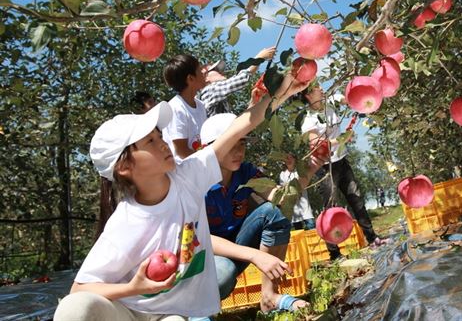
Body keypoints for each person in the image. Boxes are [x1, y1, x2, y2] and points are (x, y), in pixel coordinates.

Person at [52, 72, 309, 321]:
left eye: (159, 136)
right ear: (124, 167)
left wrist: (282, 91)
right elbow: (80, 289)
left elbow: (241, 125)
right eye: (150, 142)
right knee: (76, 310)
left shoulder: (188, 178)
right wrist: (133, 287)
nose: (163, 143)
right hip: (127, 312)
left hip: (169, 314)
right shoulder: (125, 222)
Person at [200, 115, 323, 312]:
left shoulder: (246, 172)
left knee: (275, 211)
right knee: (224, 273)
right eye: (231, 144)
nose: (239, 151)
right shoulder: (198, 183)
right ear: (209, 148)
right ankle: (200, 312)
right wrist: (255, 255)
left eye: (242, 143)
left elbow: (282, 198)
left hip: (238, 245)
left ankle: (269, 296)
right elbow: (200, 238)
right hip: (206, 259)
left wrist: (310, 169)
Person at [299, 84, 388, 260]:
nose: (322, 90)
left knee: (357, 200)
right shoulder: (309, 119)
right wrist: (340, 139)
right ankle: (334, 253)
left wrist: (354, 97)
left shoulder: (330, 103)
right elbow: (316, 144)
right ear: (308, 96)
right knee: (330, 208)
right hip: (325, 168)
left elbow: (347, 99)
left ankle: (373, 238)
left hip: (342, 162)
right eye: (317, 88)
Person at [199, 47, 276, 117]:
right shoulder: (209, 90)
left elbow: (236, 126)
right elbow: (241, 79)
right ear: (205, 78)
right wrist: (259, 58)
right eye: (216, 70)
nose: (222, 72)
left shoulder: (220, 103)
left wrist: (253, 102)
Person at [162, 55, 209, 162]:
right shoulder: (176, 109)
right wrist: (209, 159)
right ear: (190, 79)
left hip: (199, 170)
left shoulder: (200, 105)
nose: (204, 73)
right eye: (199, 70)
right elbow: (181, 151)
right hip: (183, 173)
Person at [279, 153, 316, 230]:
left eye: (291, 157)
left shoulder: (300, 171)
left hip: (305, 207)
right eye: (287, 158)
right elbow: (283, 190)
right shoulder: (282, 174)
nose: (289, 160)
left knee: (311, 227)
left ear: (295, 159)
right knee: (298, 233)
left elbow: (304, 182)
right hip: (294, 210)